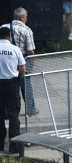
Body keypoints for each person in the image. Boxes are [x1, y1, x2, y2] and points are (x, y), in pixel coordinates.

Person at [2, 8, 36, 116]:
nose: (26, 19)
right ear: (22, 17)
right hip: (22, 59)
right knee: (26, 86)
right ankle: (30, 111)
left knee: (8, 84)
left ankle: (6, 112)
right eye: (26, 17)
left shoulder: (4, 27)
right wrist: (32, 63)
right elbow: (30, 50)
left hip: (6, 59)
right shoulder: (27, 30)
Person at [0, 26, 25, 154]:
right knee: (14, 115)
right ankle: (14, 146)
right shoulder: (15, 49)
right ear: (10, 36)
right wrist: (19, 79)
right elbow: (22, 68)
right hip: (12, 84)